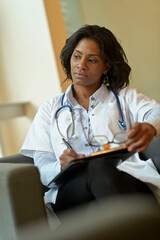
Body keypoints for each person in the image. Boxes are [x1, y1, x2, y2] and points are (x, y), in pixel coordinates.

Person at [21, 25, 160, 214]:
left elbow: (156, 112)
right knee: (97, 168)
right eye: (77, 57)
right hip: (73, 191)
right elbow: (41, 168)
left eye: (92, 60)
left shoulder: (125, 97)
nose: (81, 65)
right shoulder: (50, 109)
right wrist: (61, 165)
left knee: (100, 176)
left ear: (106, 67)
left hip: (126, 178)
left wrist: (149, 126)